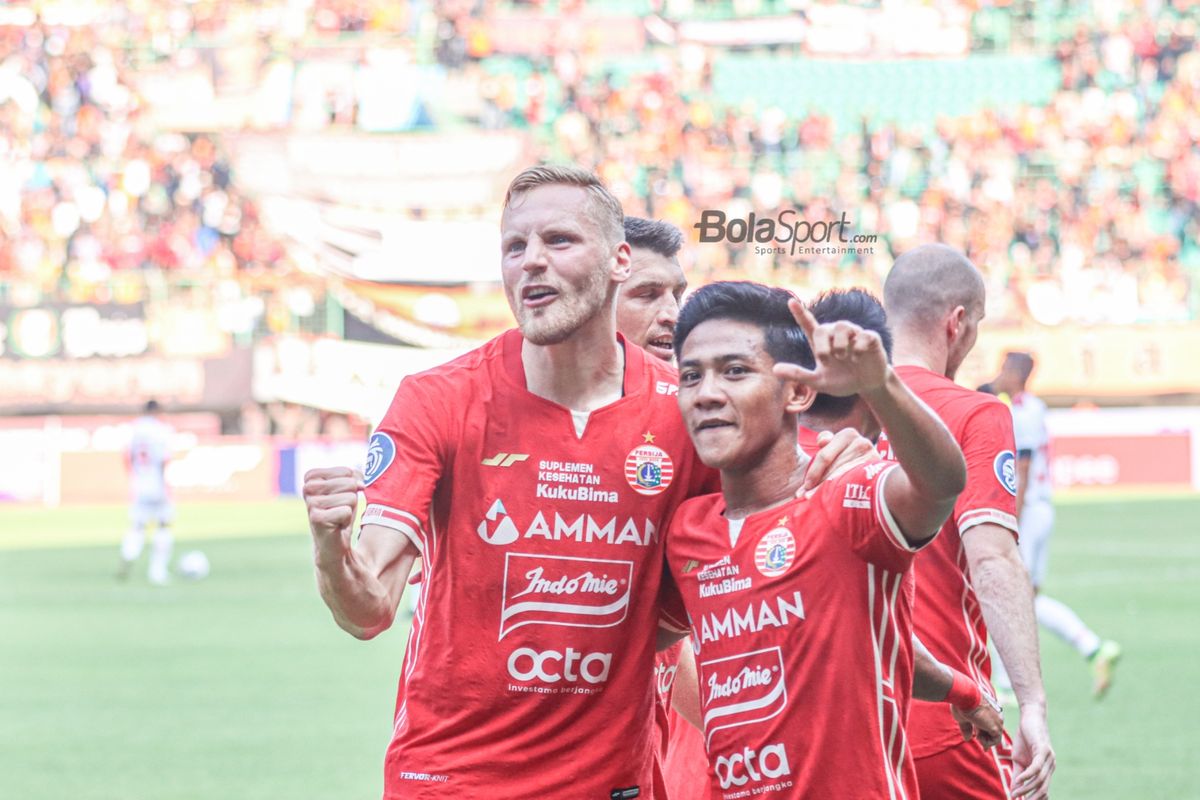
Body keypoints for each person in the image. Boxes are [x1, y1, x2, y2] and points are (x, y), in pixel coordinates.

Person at [302, 167, 869, 799]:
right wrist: (332, 547)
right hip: (451, 780)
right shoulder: (437, 400)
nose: (532, 263)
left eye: (559, 241)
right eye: (515, 248)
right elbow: (369, 607)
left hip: (608, 784)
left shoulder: (683, 415)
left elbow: (759, 545)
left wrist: (837, 466)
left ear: (617, 259)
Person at [664, 280, 970, 798]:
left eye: (735, 371)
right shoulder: (687, 531)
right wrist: (964, 691)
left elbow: (941, 484)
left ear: (798, 392)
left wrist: (880, 386)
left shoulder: (847, 496)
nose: (707, 392)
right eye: (691, 376)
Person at [883, 244, 1055, 800]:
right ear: (957, 323)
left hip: (837, 719)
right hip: (947, 720)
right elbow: (992, 556)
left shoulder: (829, 408)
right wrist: (1031, 703)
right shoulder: (972, 412)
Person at [985, 352, 1121, 699]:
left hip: (1028, 510)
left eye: (1003, 370)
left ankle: (1005, 684)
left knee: (1004, 592)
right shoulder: (1034, 407)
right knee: (1028, 597)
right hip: (1042, 509)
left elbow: (1024, 469)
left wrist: (1011, 520)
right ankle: (1093, 648)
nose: (999, 375)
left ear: (1016, 374)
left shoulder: (1024, 413)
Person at [117, 399, 174, 585]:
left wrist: (135, 477)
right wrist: (165, 485)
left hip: (139, 484)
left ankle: (128, 554)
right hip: (157, 484)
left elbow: (126, 457)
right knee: (163, 524)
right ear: (158, 411)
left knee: (137, 525)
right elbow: (164, 460)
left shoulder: (132, 429)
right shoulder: (162, 430)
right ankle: (157, 571)